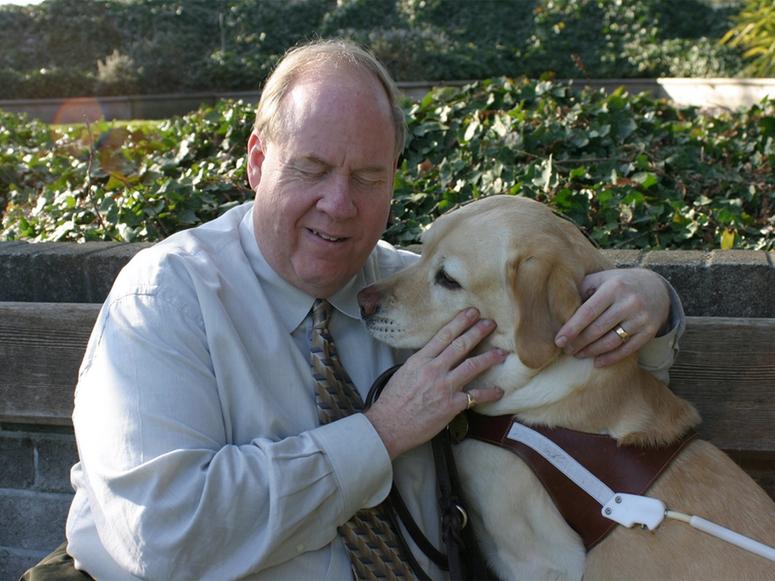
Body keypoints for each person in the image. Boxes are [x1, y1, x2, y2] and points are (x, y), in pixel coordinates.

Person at [46, 40, 682, 580]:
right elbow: (159, 534)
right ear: (258, 161)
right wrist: (380, 434)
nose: (339, 204)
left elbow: (546, 326)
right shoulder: (166, 299)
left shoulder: (404, 287)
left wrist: (648, 299)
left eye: (368, 176)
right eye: (312, 169)